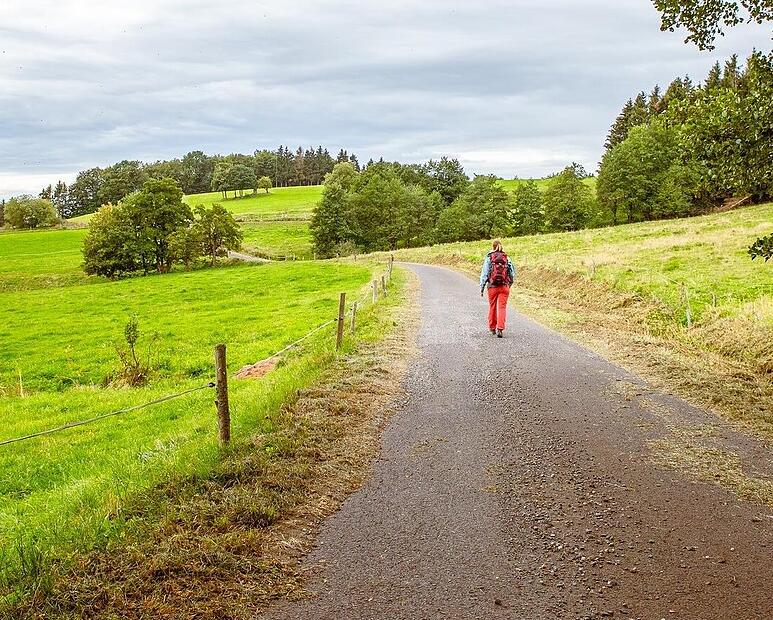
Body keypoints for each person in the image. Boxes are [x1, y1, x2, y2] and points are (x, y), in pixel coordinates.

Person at [479, 240, 515, 338]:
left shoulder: (489, 257)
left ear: (493, 247)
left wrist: (482, 287)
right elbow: (512, 273)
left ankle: (492, 328)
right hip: (504, 286)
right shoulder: (506, 257)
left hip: (492, 287)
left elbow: (484, 273)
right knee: (502, 307)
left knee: (492, 307)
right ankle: (500, 328)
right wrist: (509, 284)